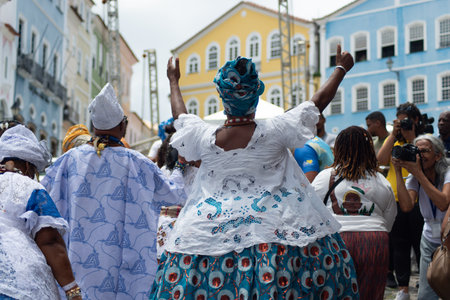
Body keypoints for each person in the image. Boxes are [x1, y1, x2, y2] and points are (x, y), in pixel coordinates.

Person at [150, 45, 358, 299]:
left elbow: (179, 115)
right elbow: (316, 104)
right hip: (275, 233)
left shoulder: (203, 137)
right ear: (255, 97)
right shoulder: (275, 130)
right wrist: (340, 69)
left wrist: (173, 80)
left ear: (222, 98)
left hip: (203, 233)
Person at [41, 83, 186, 300]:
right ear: (122, 125)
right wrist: (181, 166)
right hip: (126, 277)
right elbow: (175, 194)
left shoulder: (68, 160)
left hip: (78, 274)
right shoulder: (138, 162)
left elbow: (44, 198)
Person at [312, 126, 397, 300]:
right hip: (375, 240)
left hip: (337, 241)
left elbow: (312, 211)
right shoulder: (380, 180)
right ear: (369, 150)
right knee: (370, 294)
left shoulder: (326, 176)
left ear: (338, 148)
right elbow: (390, 218)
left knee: (335, 292)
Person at [0, 125, 81, 300]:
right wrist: (72, 290)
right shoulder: (30, 188)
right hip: (18, 285)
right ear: (28, 166)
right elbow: (50, 242)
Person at [392, 134, 450, 300]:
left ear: (438, 155)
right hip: (429, 238)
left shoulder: (447, 172)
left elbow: (443, 203)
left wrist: (418, 173)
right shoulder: (415, 177)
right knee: (425, 294)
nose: (420, 155)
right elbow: (407, 206)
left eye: (425, 151)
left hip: (449, 238)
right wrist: (397, 172)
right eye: (418, 151)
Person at [378, 102, 426, 300]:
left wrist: (411, 136)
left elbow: (425, 161)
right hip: (395, 199)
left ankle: (426, 282)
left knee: (420, 244)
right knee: (399, 245)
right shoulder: (394, 143)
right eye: (399, 120)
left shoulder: (423, 141)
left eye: (406, 120)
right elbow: (380, 160)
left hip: (418, 201)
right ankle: (403, 288)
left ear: (416, 120)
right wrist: (393, 135)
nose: (402, 123)